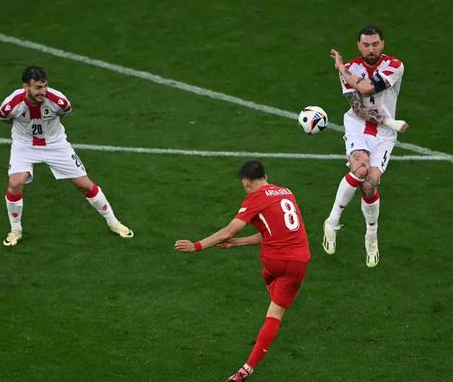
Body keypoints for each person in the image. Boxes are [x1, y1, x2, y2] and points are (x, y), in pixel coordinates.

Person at [174, 160, 310, 382]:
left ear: (246, 182)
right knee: (276, 311)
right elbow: (270, 233)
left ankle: (275, 297)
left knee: (271, 291)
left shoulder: (256, 197)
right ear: (266, 176)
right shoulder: (287, 192)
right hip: (300, 261)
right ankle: (247, 369)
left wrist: (197, 245)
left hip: (276, 261)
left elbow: (228, 231)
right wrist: (237, 244)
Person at [0, 66, 133, 246]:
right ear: (26, 87)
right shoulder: (11, 104)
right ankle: (16, 230)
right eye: (38, 87)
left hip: (56, 144)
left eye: (45, 86)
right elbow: (4, 118)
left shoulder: (58, 101)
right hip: (25, 145)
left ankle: (114, 222)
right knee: (15, 183)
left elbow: (65, 112)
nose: (42, 91)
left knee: (84, 184)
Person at [322, 24, 408, 267]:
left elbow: (367, 88)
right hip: (359, 126)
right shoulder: (350, 68)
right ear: (359, 46)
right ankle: (332, 222)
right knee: (360, 169)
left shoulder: (394, 66)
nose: (371, 49)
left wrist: (341, 68)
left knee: (369, 185)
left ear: (383, 44)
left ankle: (371, 235)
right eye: (366, 45)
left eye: (375, 44)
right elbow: (358, 108)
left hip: (384, 135)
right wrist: (390, 121)